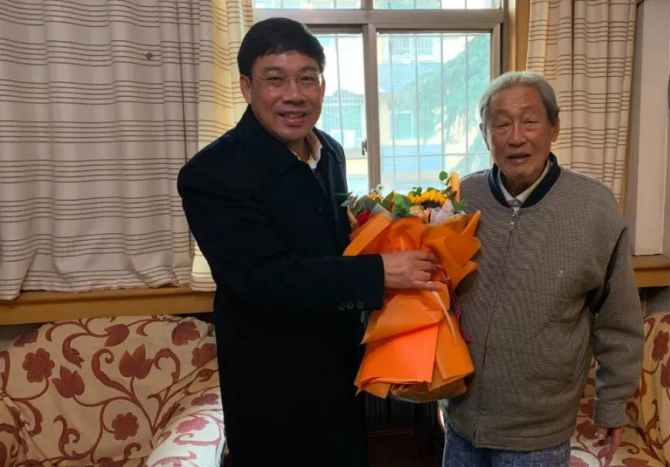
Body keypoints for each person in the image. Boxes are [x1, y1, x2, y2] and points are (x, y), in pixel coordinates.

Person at [178, 17, 437, 466]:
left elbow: (331, 244)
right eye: (275, 79)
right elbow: (262, 278)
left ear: (322, 85)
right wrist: (379, 272)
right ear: (246, 87)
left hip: (341, 371)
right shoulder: (211, 173)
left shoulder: (329, 151)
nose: (293, 94)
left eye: (307, 78)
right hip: (272, 388)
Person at [440, 71, 644, 466]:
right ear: (485, 134)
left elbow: (619, 321)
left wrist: (612, 405)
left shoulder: (594, 208)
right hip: (461, 421)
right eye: (502, 124)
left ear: (554, 128)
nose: (516, 137)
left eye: (530, 121)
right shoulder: (461, 199)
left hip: (539, 434)